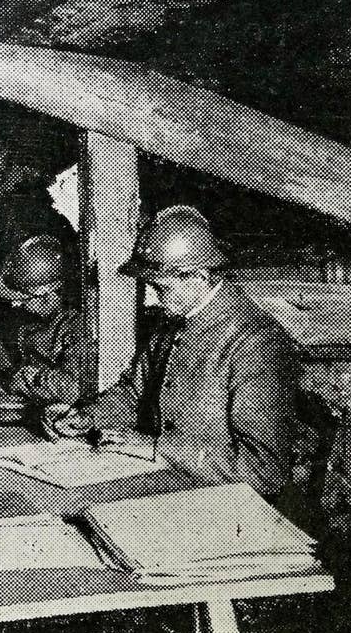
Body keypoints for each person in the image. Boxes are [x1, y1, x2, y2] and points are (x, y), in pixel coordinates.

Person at [45, 205, 295, 496]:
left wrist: (154, 447)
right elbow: (133, 393)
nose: (150, 296)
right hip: (164, 487)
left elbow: (264, 471)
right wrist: (88, 417)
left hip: (222, 507)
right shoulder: (173, 324)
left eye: (160, 287)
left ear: (200, 278)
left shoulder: (258, 342)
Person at [0, 123, 75, 316]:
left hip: (31, 297)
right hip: (4, 296)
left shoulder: (33, 199)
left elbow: (37, 265)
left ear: (2, 163)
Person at [0, 234, 85, 406]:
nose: (16, 303)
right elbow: (12, 353)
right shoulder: (39, 323)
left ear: (48, 296)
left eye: (25, 297)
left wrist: (25, 378)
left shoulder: (77, 328)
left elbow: (73, 389)